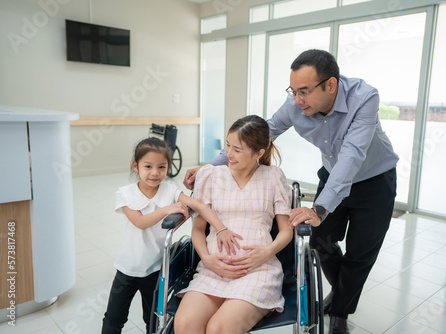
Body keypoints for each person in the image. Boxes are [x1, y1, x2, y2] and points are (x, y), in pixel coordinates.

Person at [184, 49, 398, 334]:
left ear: (330, 85)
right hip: (333, 176)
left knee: (360, 253)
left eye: (304, 92)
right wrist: (209, 167)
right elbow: (262, 134)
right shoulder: (295, 104)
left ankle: (341, 312)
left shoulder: (365, 98)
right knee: (318, 239)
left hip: (374, 180)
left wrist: (319, 209)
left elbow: (352, 156)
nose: (297, 100)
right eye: (293, 91)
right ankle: (343, 288)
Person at [101, 137, 240, 334]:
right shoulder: (126, 194)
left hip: (156, 269)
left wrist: (221, 228)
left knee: (153, 319)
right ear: (136, 165)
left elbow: (199, 206)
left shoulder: (169, 190)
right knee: (114, 319)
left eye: (162, 167)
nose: (155, 173)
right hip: (127, 270)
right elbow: (140, 223)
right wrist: (168, 209)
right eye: (148, 166)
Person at [174, 115, 293, 334]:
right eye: (228, 145)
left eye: (237, 149)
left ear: (259, 153)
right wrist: (208, 260)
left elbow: (286, 231)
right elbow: (198, 229)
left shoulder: (273, 177)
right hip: (213, 269)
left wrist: (266, 252)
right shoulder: (210, 176)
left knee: (220, 328)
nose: (229, 153)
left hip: (257, 270)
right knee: (184, 325)